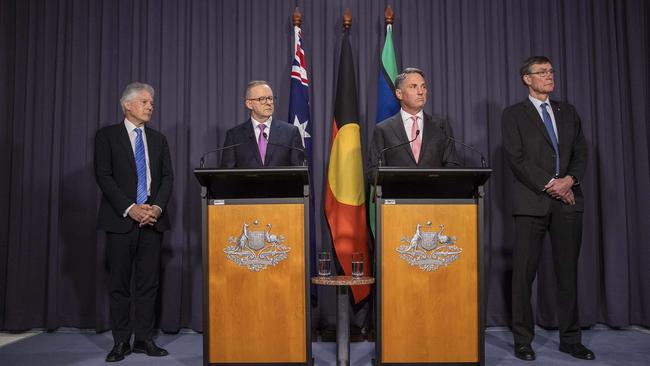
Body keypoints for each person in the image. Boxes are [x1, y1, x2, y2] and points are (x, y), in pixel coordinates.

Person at [501, 56, 594, 361]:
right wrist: (553, 184)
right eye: (541, 72)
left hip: (568, 204)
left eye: (551, 71)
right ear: (526, 79)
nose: (549, 76)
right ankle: (523, 341)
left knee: (567, 275)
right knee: (524, 276)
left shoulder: (567, 112)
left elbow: (581, 152)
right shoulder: (513, 115)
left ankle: (571, 339)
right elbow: (517, 159)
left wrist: (570, 180)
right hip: (532, 204)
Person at [94, 82, 173, 362]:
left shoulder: (159, 139)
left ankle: (144, 339)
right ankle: (120, 342)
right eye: (144, 102)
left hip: (152, 221)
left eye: (151, 102)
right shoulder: (107, 137)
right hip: (121, 221)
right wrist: (130, 208)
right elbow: (104, 177)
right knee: (119, 284)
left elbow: (166, 179)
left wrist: (157, 208)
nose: (150, 106)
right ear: (127, 104)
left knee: (148, 284)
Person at [367, 67, 460, 174]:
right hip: (398, 190)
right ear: (399, 93)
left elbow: (452, 165)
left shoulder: (441, 127)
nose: (421, 92)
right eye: (413, 87)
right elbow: (373, 171)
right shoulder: (383, 129)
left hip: (433, 190)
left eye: (423, 87)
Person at [220, 80, 304, 168]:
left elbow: (298, 171)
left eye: (270, 98)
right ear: (249, 104)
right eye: (262, 99)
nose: (269, 103)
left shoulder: (290, 133)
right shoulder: (234, 136)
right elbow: (227, 174)